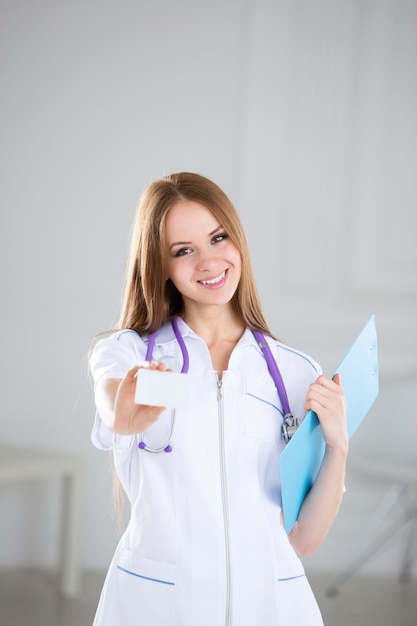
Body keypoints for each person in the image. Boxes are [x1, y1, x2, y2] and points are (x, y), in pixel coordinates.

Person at [89, 172, 348, 625]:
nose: (208, 261)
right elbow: (114, 400)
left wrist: (339, 447)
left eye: (218, 238)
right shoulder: (131, 354)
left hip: (270, 606)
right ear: (160, 265)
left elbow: (305, 538)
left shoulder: (294, 372)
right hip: (158, 606)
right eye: (183, 250)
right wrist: (125, 410)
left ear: (238, 240)